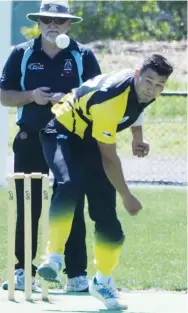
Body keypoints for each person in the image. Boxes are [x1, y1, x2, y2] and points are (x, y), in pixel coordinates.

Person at [36, 54, 173, 309]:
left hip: (90, 139)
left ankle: (103, 281)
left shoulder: (143, 91)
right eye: (149, 81)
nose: (152, 89)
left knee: (107, 218)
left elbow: (135, 108)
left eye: (159, 86)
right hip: (62, 132)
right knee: (70, 184)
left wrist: (137, 136)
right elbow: (110, 159)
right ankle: (53, 256)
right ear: (136, 75)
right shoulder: (110, 99)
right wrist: (127, 195)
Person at [0, 0, 101, 292]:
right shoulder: (21, 53)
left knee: (71, 202)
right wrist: (32, 95)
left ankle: (76, 274)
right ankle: (22, 271)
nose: (52, 26)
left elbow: (97, 95)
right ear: (39, 23)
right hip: (30, 139)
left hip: (71, 140)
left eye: (59, 21)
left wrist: (67, 99)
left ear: (68, 24)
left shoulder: (83, 55)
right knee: (26, 204)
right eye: (47, 20)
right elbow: (5, 95)